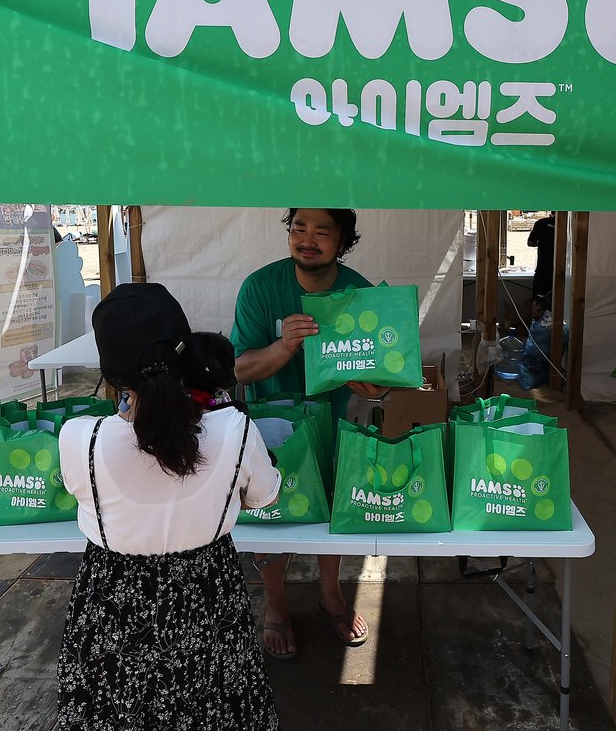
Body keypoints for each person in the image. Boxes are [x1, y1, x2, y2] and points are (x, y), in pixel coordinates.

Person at [56, 283, 282, 730]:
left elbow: (86, 494)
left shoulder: (81, 439)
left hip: (114, 605)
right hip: (207, 595)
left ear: (111, 374)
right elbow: (264, 496)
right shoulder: (234, 429)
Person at [231, 208, 379, 659]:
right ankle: (275, 601)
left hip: (333, 425)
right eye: (298, 228)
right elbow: (238, 368)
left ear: (343, 240)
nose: (307, 239)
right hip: (268, 428)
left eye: (321, 231)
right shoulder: (260, 288)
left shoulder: (359, 293)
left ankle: (330, 593)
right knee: (271, 514)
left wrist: (370, 386)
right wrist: (284, 346)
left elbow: (379, 383)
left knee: (330, 511)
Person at [526, 213, 555, 298]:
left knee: (538, 299)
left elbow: (531, 243)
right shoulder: (569, 225)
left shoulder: (541, 223)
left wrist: (543, 243)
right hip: (564, 271)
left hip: (543, 269)